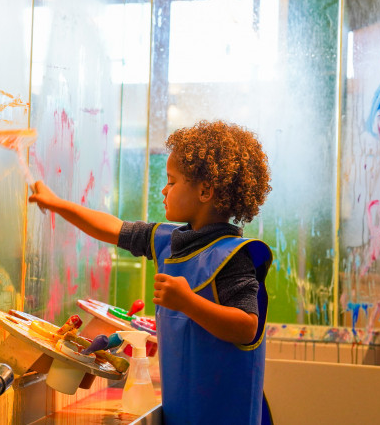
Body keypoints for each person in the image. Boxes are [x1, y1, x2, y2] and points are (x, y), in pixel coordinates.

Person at [29, 119, 274, 424]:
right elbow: (112, 228)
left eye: (171, 182)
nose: (163, 189)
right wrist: (56, 204)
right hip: (183, 411)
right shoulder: (168, 240)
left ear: (205, 191)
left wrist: (187, 301)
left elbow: (246, 326)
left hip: (225, 414)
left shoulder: (233, 257)